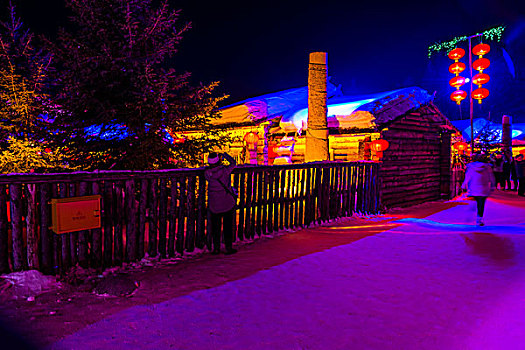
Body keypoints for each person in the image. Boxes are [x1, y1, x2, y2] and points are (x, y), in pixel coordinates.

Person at [204, 152, 237, 254]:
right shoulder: (225, 171)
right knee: (228, 226)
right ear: (219, 160)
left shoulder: (207, 174)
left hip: (214, 204)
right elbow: (233, 163)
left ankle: (216, 248)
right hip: (227, 202)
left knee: (216, 227)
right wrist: (225, 154)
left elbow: (207, 170)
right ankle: (228, 247)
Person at [462, 153, 496, 226]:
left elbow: (468, 176)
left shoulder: (471, 167)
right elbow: (491, 177)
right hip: (484, 186)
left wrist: (464, 184)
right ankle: (479, 218)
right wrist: (493, 185)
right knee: (481, 202)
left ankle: (473, 211)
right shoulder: (487, 167)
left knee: (476, 199)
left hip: (474, 186)